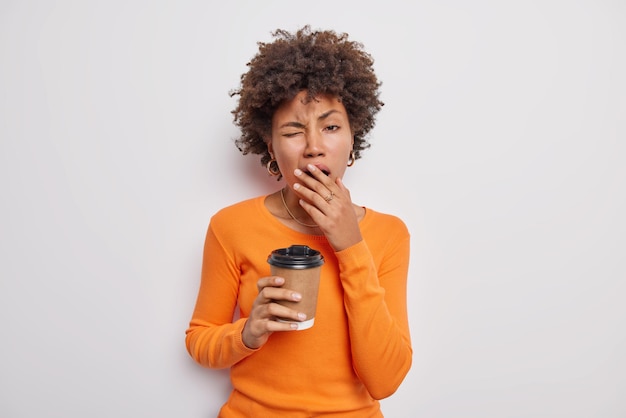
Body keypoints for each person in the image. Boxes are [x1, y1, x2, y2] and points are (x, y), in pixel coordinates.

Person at [185, 26, 412, 417]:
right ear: (271, 147)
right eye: (293, 131)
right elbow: (200, 341)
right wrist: (249, 332)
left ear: (353, 138)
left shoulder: (390, 234)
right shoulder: (231, 226)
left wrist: (350, 245)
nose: (313, 146)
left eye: (331, 127)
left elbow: (385, 380)